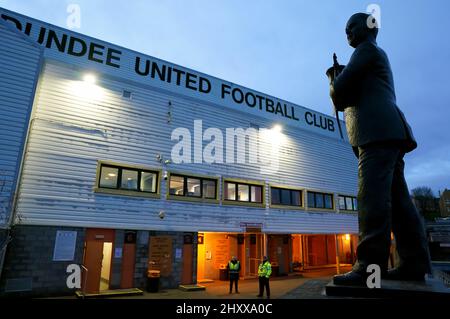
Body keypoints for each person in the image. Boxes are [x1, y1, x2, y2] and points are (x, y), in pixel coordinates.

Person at [326, 12, 431, 286]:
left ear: (368, 28)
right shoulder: (371, 55)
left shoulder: (366, 51)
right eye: (345, 28)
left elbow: (339, 94)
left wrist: (333, 77)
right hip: (387, 132)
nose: (347, 31)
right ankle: (413, 264)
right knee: (398, 202)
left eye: (352, 26)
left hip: (377, 133)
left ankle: (369, 268)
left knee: (371, 198)